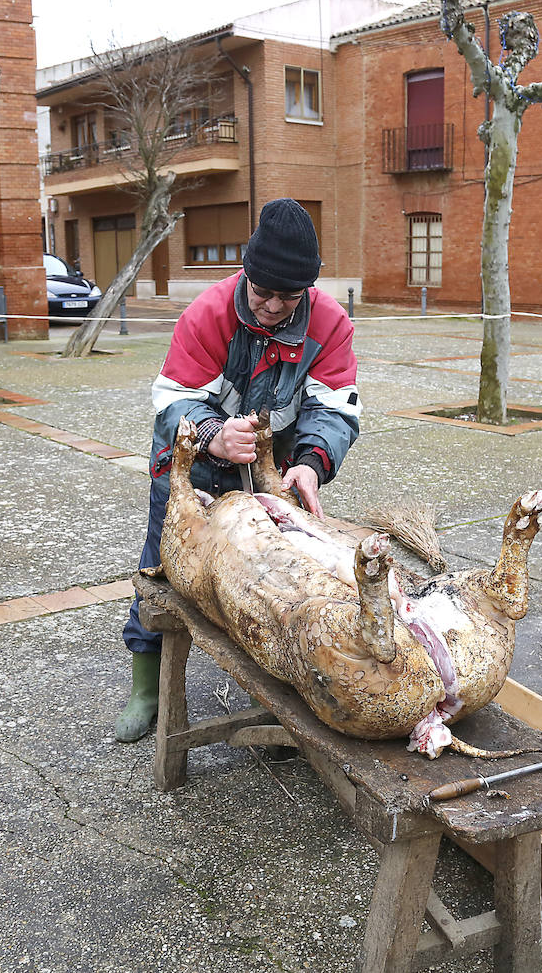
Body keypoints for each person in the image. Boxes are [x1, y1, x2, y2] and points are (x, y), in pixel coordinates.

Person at [114, 199, 362, 741]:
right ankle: (145, 686)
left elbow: (335, 409)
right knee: (162, 571)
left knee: (278, 585)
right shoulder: (207, 313)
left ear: (307, 292)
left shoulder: (330, 323)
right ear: (246, 274)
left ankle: (278, 695)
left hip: (274, 474)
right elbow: (173, 401)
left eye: (287, 297)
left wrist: (312, 465)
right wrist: (213, 437)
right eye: (262, 291)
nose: (273, 306)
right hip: (193, 468)